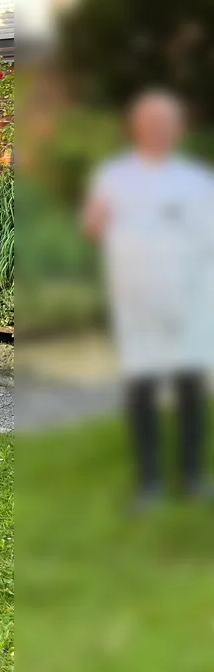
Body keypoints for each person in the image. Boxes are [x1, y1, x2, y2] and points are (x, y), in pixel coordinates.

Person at [81, 89, 212, 508]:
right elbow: (94, 227)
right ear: (135, 128)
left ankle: (191, 475)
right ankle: (149, 481)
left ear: (176, 129)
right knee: (142, 389)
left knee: (190, 388)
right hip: (136, 301)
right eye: (148, 122)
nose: (156, 130)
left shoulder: (196, 179)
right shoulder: (114, 176)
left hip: (188, 300)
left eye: (164, 123)